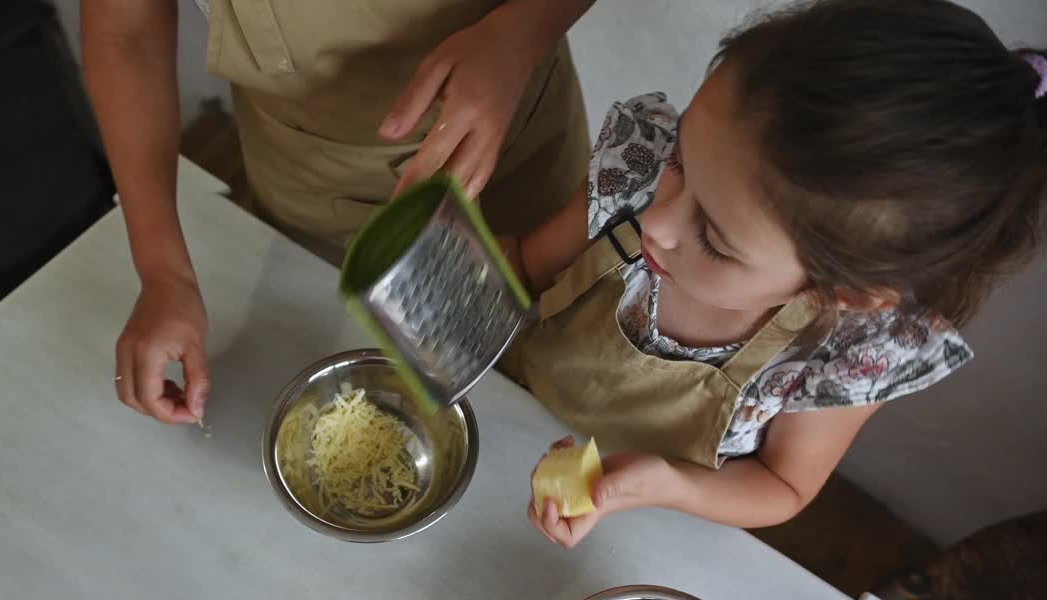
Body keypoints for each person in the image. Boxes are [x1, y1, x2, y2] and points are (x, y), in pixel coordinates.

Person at [498, 0, 1047, 547]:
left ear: (843, 293)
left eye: (713, 239)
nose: (658, 225)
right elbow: (520, 266)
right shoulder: (634, 180)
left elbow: (782, 485)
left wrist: (668, 484)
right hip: (499, 425)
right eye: (680, 164)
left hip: (646, 530)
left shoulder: (847, 352)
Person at [80, 0, 595, 424]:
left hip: (519, 150)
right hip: (311, 185)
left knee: (553, 376)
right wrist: (163, 272)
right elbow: (126, 31)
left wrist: (521, 32)